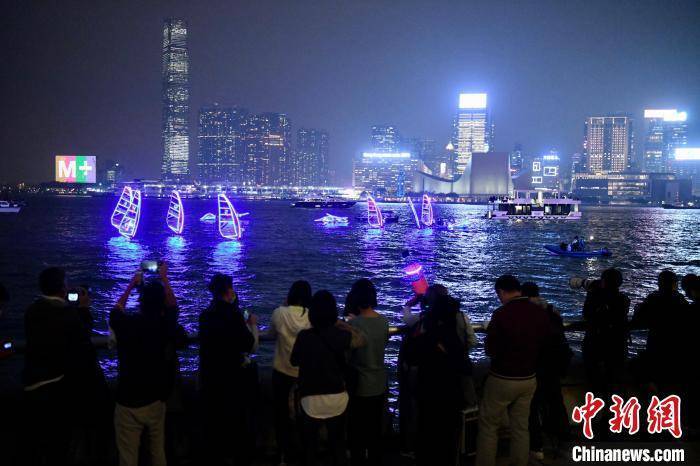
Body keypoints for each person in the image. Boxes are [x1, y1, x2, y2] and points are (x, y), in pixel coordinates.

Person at [23, 267, 107, 466]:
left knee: (38, 447)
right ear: (62, 288)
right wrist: (84, 309)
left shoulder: (32, 311)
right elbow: (82, 338)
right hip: (55, 389)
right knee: (59, 446)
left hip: (31, 386)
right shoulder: (67, 315)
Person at [109, 263, 188, 466]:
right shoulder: (163, 326)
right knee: (157, 451)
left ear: (141, 301)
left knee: (127, 456)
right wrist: (164, 277)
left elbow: (115, 311)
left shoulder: (127, 324)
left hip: (127, 399)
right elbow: (173, 308)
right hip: (155, 398)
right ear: (161, 303)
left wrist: (131, 285)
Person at [476, 275, 552, 466]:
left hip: (502, 377)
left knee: (489, 425)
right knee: (521, 426)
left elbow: (491, 349)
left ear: (501, 292)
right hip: (528, 377)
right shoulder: (539, 313)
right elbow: (545, 343)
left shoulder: (501, 314)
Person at [290, 290, 364, 466]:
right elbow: (361, 340)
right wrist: (344, 325)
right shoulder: (341, 336)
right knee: (338, 446)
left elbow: (294, 361)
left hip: (310, 399)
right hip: (337, 398)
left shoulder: (304, 336)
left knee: (309, 448)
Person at [199, 273, 259, 466]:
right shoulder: (233, 315)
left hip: (210, 378)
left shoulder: (205, 315)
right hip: (232, 379)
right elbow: (248, 343)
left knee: (214, 428)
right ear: (228, 291)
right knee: (237, 425)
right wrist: (250, 325)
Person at [404, 294, 471, 466]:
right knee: (447, 439)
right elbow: (466, 367)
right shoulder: (454, 338)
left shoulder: (426, 334)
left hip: (428, 392)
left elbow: (410, 357)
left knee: (426, 435)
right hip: (451, 394)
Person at [521, 282, 572, 460]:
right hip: (555, 365)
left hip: (535, 365)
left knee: (532, 407)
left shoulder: (526, 313)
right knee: (556, 402)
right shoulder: (552, 310)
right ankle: (564, 442)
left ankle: (536, 447)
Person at [268, 280, 312, 465]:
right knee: (305, 414)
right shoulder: (311, 316)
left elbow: (271, 334)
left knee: (281, 415)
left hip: (282, 371)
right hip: (303, 373)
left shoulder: (279, 313)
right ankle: (304, 453)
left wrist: (284, 307)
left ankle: (283, 454)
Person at [346, 279, 389, 466]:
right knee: (375, 433)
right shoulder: (384, 322)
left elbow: (348, 354)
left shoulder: (355, 324)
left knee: (356, 432)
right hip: (379, 383)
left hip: (360, 385)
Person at [631, 270, 688, 393]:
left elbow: (639, 318)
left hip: (656, 340)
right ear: (674, 283)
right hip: (676, 342)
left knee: (656, 375)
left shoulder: (653, 298)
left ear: (659, 283)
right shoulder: (680, 299)